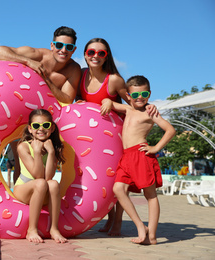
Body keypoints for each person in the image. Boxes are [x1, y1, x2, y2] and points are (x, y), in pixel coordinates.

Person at [77, 38, 158, 236]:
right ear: (85, 54)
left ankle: (117, 221)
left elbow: (132, 102)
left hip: (114, 136)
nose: (95, 56)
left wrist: (148, 106)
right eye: (91, 52)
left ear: (107, 57)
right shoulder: (81, 74)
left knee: (117, 181)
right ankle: (110, 218)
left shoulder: (114, 79)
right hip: (89, 136)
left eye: (101, 53)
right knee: (102, 180)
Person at [0, 26, 81, 185]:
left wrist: (45, 80)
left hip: (44, 123)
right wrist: (27, 61)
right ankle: (19, 202)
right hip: (20, 114)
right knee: (20, 163)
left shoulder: (73, 69)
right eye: (59, 46)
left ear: (74, 50)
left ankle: (41, 200)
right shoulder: (37, 55)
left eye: (69, 47)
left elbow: (67, 99)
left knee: (44, 166)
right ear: (52, 45)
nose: (63, 50)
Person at [102, 75, 176, 245]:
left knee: (150, 196)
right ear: (128, 96)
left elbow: (170, 130)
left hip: (141, 155)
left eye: (144, 94)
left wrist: (156, 148)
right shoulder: (128, 109)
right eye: (135, 95)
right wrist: (107, 101)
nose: (140, 98)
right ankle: (140, 226)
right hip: (126, 156)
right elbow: (111, 102)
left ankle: (152, 236)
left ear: (149, 94)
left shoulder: (150, 113)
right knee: (118, 189)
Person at [13, 109, 66, 243]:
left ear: (52, 127)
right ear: (30, 129)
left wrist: (52, 152)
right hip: (24, 189)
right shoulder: (23, 147)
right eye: (36, 126)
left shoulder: (53, 147)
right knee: (41, 183)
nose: (41, 129)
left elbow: (48, 177)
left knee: (53, 183)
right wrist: (36, 152)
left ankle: (54, 229)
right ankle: (32, 229)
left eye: (46, 125)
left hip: (43, 189)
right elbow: (38, 176)